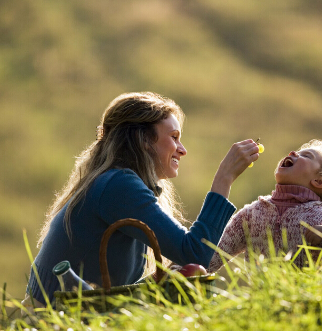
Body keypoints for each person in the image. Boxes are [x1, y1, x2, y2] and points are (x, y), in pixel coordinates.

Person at [23, 91, 260, 309]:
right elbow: (195, 253)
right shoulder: (119, 185)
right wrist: (224, 178)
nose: (182, 149)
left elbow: (118, 288)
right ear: (144, 140)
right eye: (174, 137)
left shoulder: (116, 182)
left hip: (66, 314)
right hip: (56, 318)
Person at [207, 139, 322, 273]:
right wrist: (184, 269)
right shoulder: (252, 214)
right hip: (262, 304)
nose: (293, 152)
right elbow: (211, 257)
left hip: (307, 303)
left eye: (306, 155)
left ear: (319, 181)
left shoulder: (321, 216)